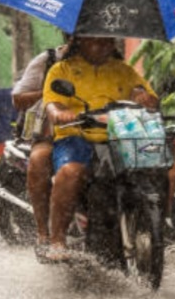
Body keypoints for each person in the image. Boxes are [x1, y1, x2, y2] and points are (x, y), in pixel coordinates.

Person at [40, 36, 158, 262]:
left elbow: (142, 93)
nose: (105, 45)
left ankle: (155, 225)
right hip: (76, 137)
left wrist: (144, 98)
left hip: (120, 137)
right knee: (70, 172)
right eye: (98, 41)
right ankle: (57, 240)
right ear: (81, 41)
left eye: (109, 41)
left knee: (163, 168)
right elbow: (52, 105)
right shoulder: (61, 70)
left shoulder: (124, 70)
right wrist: (59, 114)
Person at [10, 41, 69, 248]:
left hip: (96, 132)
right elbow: (18, 99)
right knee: (39, 160)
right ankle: (44, 234)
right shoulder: (48, 61)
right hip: (49, 134)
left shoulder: (111, 63)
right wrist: (48, 95)